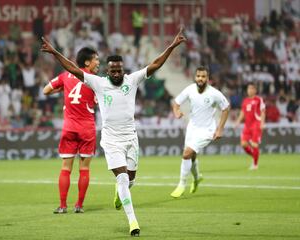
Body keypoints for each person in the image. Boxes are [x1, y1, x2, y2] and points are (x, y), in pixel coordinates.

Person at [41, 29, 187, 237]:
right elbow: (72, 69)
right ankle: (133, 221)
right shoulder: (98, 83)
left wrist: (171, 46)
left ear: (122, 69)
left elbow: (155, 64)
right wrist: (55, 52)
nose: (116, 74)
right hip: (111, 140)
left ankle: (120, 195)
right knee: (122, 180)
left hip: (131, 138)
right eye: (113, 71)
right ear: (107, 72)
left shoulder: (132, 80)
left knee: (131, 179)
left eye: (119, 70)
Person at [42, 47, 100, 214]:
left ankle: (62, 205)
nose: (98, 63)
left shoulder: (65, 76)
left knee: (66, 167)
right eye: (96, 59)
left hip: (69, 127)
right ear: (87, 62)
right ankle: (79, 205)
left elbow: (46, 90)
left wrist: (62, 89)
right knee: (84, 169)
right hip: (87, 128)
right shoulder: (95, 80)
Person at [170, 66, 230, 198]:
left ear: (207, 78)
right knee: (191, 156)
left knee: (186, 154)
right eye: (198, 76)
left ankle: (181, 184)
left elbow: (226, 108)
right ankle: (197, 178)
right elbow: (176, 102)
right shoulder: (190, 89)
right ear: (195, 77)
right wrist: (176, 111)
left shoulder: (214, 93)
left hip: (207, 130)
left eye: (203, 76)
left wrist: (220, 129)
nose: (200, 79)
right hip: (192, 127)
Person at [234, 83, 265, 170]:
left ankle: (255, 165)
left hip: (256, 124)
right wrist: (237, 122)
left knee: (254, 145)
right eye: (248, 89)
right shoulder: (245, 101)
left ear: (255, 90)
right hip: (247, 126)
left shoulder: (259, 99)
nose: (250, 90)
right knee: (243, 144)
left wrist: (262, 123)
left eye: (252, 88)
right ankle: (255, 155)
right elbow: (242, 113)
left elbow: (263, 111)